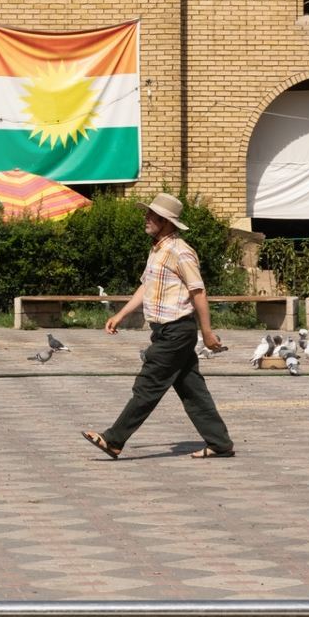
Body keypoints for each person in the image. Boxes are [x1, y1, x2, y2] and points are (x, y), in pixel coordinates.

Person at [82, 193, 236, 460]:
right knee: (192, 390)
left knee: (148, 385)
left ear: (166, 221)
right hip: (164, 331)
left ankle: (114, 440)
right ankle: (220, 443)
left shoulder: (180, 252)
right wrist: (121, 315)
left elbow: (198, 292)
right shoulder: (157, 250)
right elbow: (146, 286)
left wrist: (207, 332)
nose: (146, 218)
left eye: (152, 215)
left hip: (176, 332)